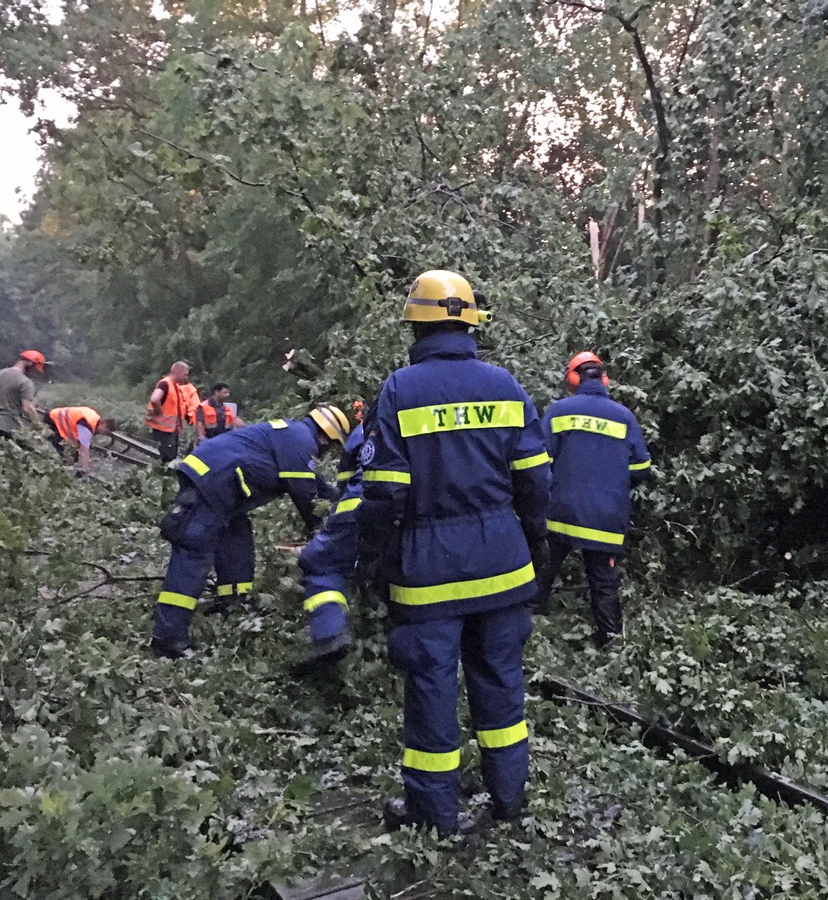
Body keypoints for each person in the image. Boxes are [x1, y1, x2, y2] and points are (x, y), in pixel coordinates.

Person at [357, 270, 550, 836]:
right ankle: (508, 802)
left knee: (432, 695)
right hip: (504, 565)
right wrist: (533, 541)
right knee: (501, 687)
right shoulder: (506, 385)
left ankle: (435, 817)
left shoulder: (399, 390)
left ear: (414, 327)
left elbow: (385, 491)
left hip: (427, 574)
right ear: (470, 323)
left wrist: (372, 560)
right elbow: (535, 483)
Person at [149, 404, 351, 659]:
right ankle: (168, 639)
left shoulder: (294, 436)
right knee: (194, 553)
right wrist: (325, 533)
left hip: (225, 490)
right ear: (325, 436)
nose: (326, 452)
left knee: (237, 539)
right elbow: (304, 493)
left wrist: (342, 500)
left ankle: (233, 601)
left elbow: (315, 483)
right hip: (212, 484)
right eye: (331, 445)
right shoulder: (301, 440)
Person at [530, 352, 651, 646]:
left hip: (560, 514)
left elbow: (539, 461)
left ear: (572, 378)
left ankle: (526, 635)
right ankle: (610, 642)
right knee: (604, 582)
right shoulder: (624, 416)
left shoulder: (559, 412)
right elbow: (640, 468)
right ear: (605, 380)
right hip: (605, 519)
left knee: (542, 575)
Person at [292, 421, 364, 677]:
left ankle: (329, 635)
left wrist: (324, 522)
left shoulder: (376, 422)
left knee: (319, 562)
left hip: (365, 503)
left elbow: (346, 481)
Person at [0, 350, 45, 440]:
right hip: (11, 425)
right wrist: (38, 424)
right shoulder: (25, 382)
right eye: (35, 368)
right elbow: (27, 408)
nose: (34, 372)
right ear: (29, 364)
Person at [144, 361, 192, 463]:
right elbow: (154, 399)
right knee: (166, 458)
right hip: (162, 430)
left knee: (171, 456)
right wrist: (158, 411)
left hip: (171, 430)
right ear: (177, 372)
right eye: (185, 375)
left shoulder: (176, 387)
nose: (186, 378)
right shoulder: (165, 384)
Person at [44, 406, 116, 473]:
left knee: (72, 455)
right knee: (62, 452)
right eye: (105, 432)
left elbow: (80, 444)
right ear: (104, 425)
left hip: (59, 417)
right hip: (54, 420)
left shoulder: (93, 418)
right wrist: (85, 469)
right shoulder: (87, 426)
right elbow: (84, 451)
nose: (103, 434)